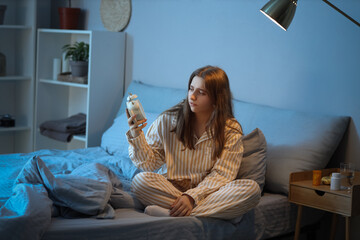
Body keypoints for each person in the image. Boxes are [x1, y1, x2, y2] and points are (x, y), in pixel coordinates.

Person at [126, 65, 260, 220]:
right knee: (140, 181)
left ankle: (171, 213)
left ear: (217, 97)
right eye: (191, 89)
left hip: (208, 192)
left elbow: (223, 174)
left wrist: (191, 197)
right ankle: (213, 212)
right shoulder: (168, 121)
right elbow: (149, 164)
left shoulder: (230, 129)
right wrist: (136, 134)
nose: (192, 96)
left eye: (201, 92)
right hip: (170, 188)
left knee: (251, 190)